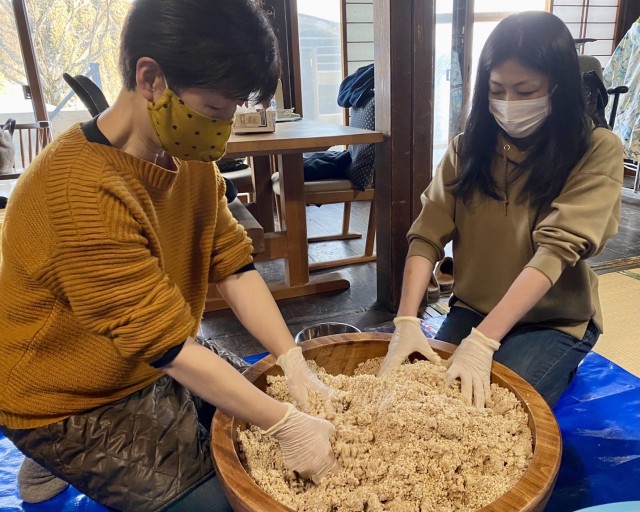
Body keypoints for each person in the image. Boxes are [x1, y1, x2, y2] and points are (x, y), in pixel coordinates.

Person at [0, 1, 338, 510]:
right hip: (66, 392)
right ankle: (51, 451)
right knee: (222, 496)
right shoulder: (77, 192)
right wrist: (286, 424)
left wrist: (291, 357)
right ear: (152, 79)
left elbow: (231, 263)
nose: (223, 132)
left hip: (147, 353)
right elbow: (168, 347)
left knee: (255, 417)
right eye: (216, 112)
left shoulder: (185, 155)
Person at [379, 11, 624, 409]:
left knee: (491, 409)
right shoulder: (467, 149)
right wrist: (406, 319)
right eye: (497, 90)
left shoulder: (596, 150)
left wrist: (484, 342)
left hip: (551, 320)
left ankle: (559, 359)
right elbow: (427, 234)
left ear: (557, 87)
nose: (509, 104)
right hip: (474, 308)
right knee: (420, 394)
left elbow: (557, 250)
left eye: (525, 91)